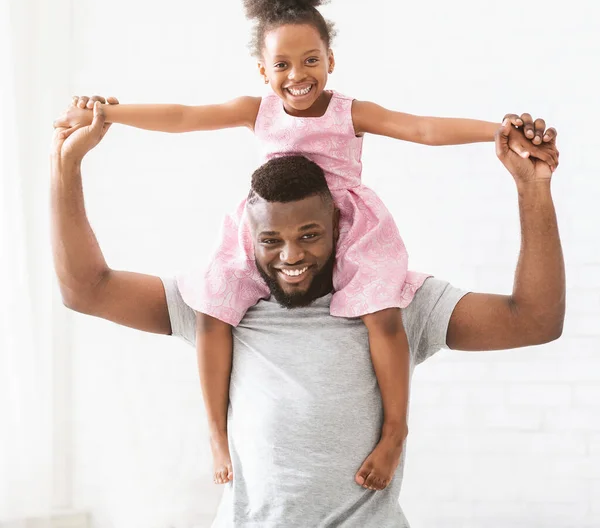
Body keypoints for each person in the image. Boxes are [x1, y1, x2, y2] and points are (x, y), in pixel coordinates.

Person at [53, 0, 559, 490]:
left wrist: (496, 132)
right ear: (263, 71)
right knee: (213, 304)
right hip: (271, 214)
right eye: (283, 66)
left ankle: (394, 430)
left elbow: (422, 128)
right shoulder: (257, 110)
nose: (298, 76)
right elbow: (184, 116)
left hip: (349, 224)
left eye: (310, 60)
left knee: (382, 313)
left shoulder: (348, 111)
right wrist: (107, 114)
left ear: (332, 60)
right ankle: (215, 435)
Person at [52, 100, 564, 525]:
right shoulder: (223, 306)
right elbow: (88, 289)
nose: (291, 257)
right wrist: (66, 166)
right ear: (247, 238)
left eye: (310, 236)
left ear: (340, 227)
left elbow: (534, 319)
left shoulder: (394, 300)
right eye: (271, 241)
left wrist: (532, 188)